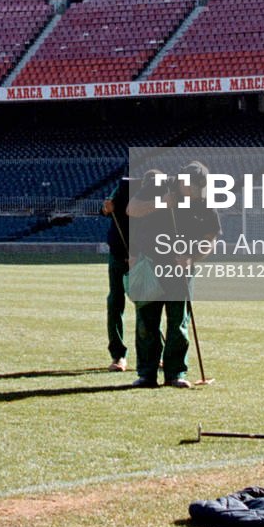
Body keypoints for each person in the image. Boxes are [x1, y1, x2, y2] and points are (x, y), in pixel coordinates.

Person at [124, 162, 215, 389]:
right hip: (151, 264)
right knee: (147, 322)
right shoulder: (158, 185)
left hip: (180, 269)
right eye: (193, 188)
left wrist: (192, 258)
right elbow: (131, 209)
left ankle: (175, 373)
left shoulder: (205, 199)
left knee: (178, 322)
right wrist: (161, 203)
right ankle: (147, 374)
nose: (196, 194)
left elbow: (210, 235)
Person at [101, 174, 131, 372]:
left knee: (150, 306)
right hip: (119, 254)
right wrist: (107, 207)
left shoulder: (157, 185)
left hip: (144, 255)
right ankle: (118, 355)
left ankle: (154, 354)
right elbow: (106, 207)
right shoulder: (124, 185)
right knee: (115, 303)